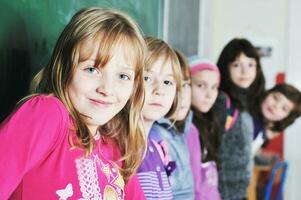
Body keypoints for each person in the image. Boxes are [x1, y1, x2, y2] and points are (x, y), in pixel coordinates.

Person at [0, 7, 147, 199]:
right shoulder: (48, 114)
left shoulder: (116, 148)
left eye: (123, 76)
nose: (106, 89)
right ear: (65, 68)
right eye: (92, 69)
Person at [213, 38, 266, 200]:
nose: (245, 72)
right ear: (225, 67)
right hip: (221, 193)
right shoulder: (222, 101)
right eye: (237, 65)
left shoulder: (247, 102)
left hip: (238, 192)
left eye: (251, 65)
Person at [137, 37, 182, 200]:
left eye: (168, 82)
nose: (159, 90)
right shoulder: (120, 149)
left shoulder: (157, 148)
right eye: (147, 78)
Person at [153, 49, 194, 200]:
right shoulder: (155, 134)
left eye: (186, 85)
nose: (181, 95)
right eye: (172, 84)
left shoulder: (181, 129)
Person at [187, 56, 221, 200]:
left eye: (214, 87)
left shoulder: (209, 122)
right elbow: (194, 185)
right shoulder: (188, 130)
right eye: (201, 85)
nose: (209, 95)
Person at [252, 83, 301, 155]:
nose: (276, 106)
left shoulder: (265, 130)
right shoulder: (248, 117)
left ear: (287, 117)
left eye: (284, 108)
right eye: (275, 98)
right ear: (268, 93)